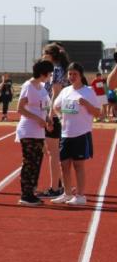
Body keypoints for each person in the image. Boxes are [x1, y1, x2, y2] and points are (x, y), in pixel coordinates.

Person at [50, 62, 98, 206]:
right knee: (63, 165)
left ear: (81, 75)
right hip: (66, 134)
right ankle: (67, 193)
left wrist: (86, 104)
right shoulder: (65, 91)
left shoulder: (88, 91)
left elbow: (97, 112)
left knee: (78, 166)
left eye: (74, 74)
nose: (71, 77)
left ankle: (81, 196)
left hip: (81, 134)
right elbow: (55, 106)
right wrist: (59, 116)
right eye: (69, 74)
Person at [15, 60, 54, 206]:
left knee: (36, 162)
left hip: (39, 131)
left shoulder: (42, 87)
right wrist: (38, 119)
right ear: (43, 73)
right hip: (28, 130)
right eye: (49, 73)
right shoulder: (28, 86)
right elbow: (20, 109)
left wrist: (48, 120)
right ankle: (25, 195)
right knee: (29, 163)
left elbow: (43, 108)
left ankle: (31, 192)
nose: (50, 76)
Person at [39, 43, 69, 197]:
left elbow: (56, 93)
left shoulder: (56, 70)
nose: (42, 55)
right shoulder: (54, 69)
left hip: (54, 114)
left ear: (51, 55)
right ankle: (60, 184)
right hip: (52, 113)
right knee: (50, 151)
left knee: (53, 153)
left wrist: (50, 116)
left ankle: (55, 188)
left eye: (44, 53)